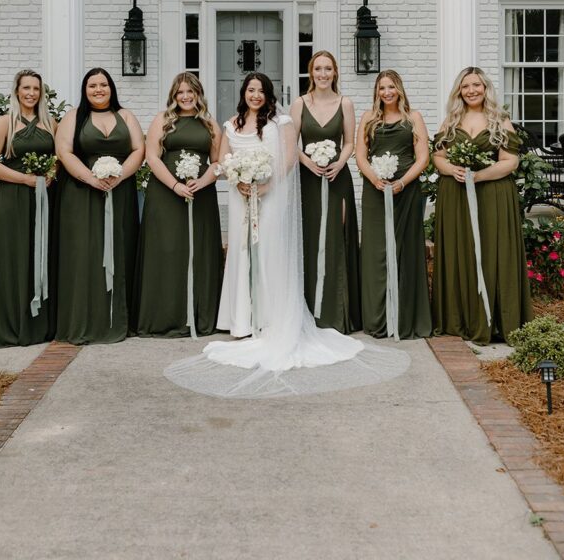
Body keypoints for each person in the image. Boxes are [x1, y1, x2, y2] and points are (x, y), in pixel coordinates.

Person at [165, 72, 411, 398]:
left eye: (261, 91)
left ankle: (269, 318)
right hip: (242, 197)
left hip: (272, 196)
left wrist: (265, 184)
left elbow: (290, 157)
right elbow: (222, 159)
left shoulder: (280, 122)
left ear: (269, 95)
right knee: (241, 253)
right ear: (244, 94)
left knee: (269, 252)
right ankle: (242, 320)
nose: (255, 96)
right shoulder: (230, 124)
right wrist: (238, 177)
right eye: (250, 90)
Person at [431, 66, 532, 344]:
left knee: (492, 251)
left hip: (492, 195)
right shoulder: (451, 120)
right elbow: (438, 157)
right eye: (466, 86)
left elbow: (510, 162)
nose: (471, 90)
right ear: (459, 91)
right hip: (456, 194)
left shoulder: (500, 120)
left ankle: (496, 320)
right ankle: (459, 319)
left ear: (485, 88)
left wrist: (479, 176)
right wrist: (453, 170)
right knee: (459, 249)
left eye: (477, 85)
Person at [55, 68, 144, 344]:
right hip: (82, 194)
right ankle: (85, 321)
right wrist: (91, 178)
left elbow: (138, 150)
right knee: (86, 254)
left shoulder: (126, 116)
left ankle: (118, 319)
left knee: (121, 249)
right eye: (92, 85)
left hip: (121, 192)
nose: (98, 89)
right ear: (85, 89)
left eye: (103, 84)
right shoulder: (74, 117)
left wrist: (118, 177)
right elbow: (64, 152)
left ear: (111, 88)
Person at [133, 72, 223, 336]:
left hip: (201, 195)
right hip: (165, 195)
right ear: (173, 96)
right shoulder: (163, 120)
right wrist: (175, 185)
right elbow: (152, 157)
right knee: (168, 252)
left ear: (198, 94)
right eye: (180, 93)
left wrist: (203, 181)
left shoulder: (210, 125)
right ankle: (164, 317)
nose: (185, 97)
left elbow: (218, 162)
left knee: (199, 252)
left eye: (190, 92)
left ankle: (198, 316)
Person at [0, 69, 57, 348]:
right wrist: (24, 179)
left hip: (44, 199)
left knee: (41, 255)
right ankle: (11, 325)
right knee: (15, 257)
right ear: (16, 91)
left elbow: (59, 157)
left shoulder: (51, 123)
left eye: (36, 89)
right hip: (13, 198)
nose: (31, 93)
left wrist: (50, 172)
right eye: (26, 88)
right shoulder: (5, 122)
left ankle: (40, 326)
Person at [356, 70, 432, 340]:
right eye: (381, 88)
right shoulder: (368, 119)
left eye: (391, 87)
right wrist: (375, 178)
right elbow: (361, 156)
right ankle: (377, 318)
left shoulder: (414, 118)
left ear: (399, 89)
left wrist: (402, 182)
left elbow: (422, 157)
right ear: (376, 92)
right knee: (376, 252)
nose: (386, 92)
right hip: (375, 191)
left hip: (407, 191)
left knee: (405, 250)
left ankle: (405, 318)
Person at [290, 51, 361, 333]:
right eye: (318, 68)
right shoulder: (299, 104)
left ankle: (337, 312)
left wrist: (339, 163)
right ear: (311, 72)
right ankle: (308, 308)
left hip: (336, 178)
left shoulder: (345, 103)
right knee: (309, 237)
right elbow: (290, 142)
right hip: (307, 179)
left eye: (327, 69)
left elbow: (349, 142)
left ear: (335, 73)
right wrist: (307, 161)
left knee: (335, 237)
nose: (322, 74)